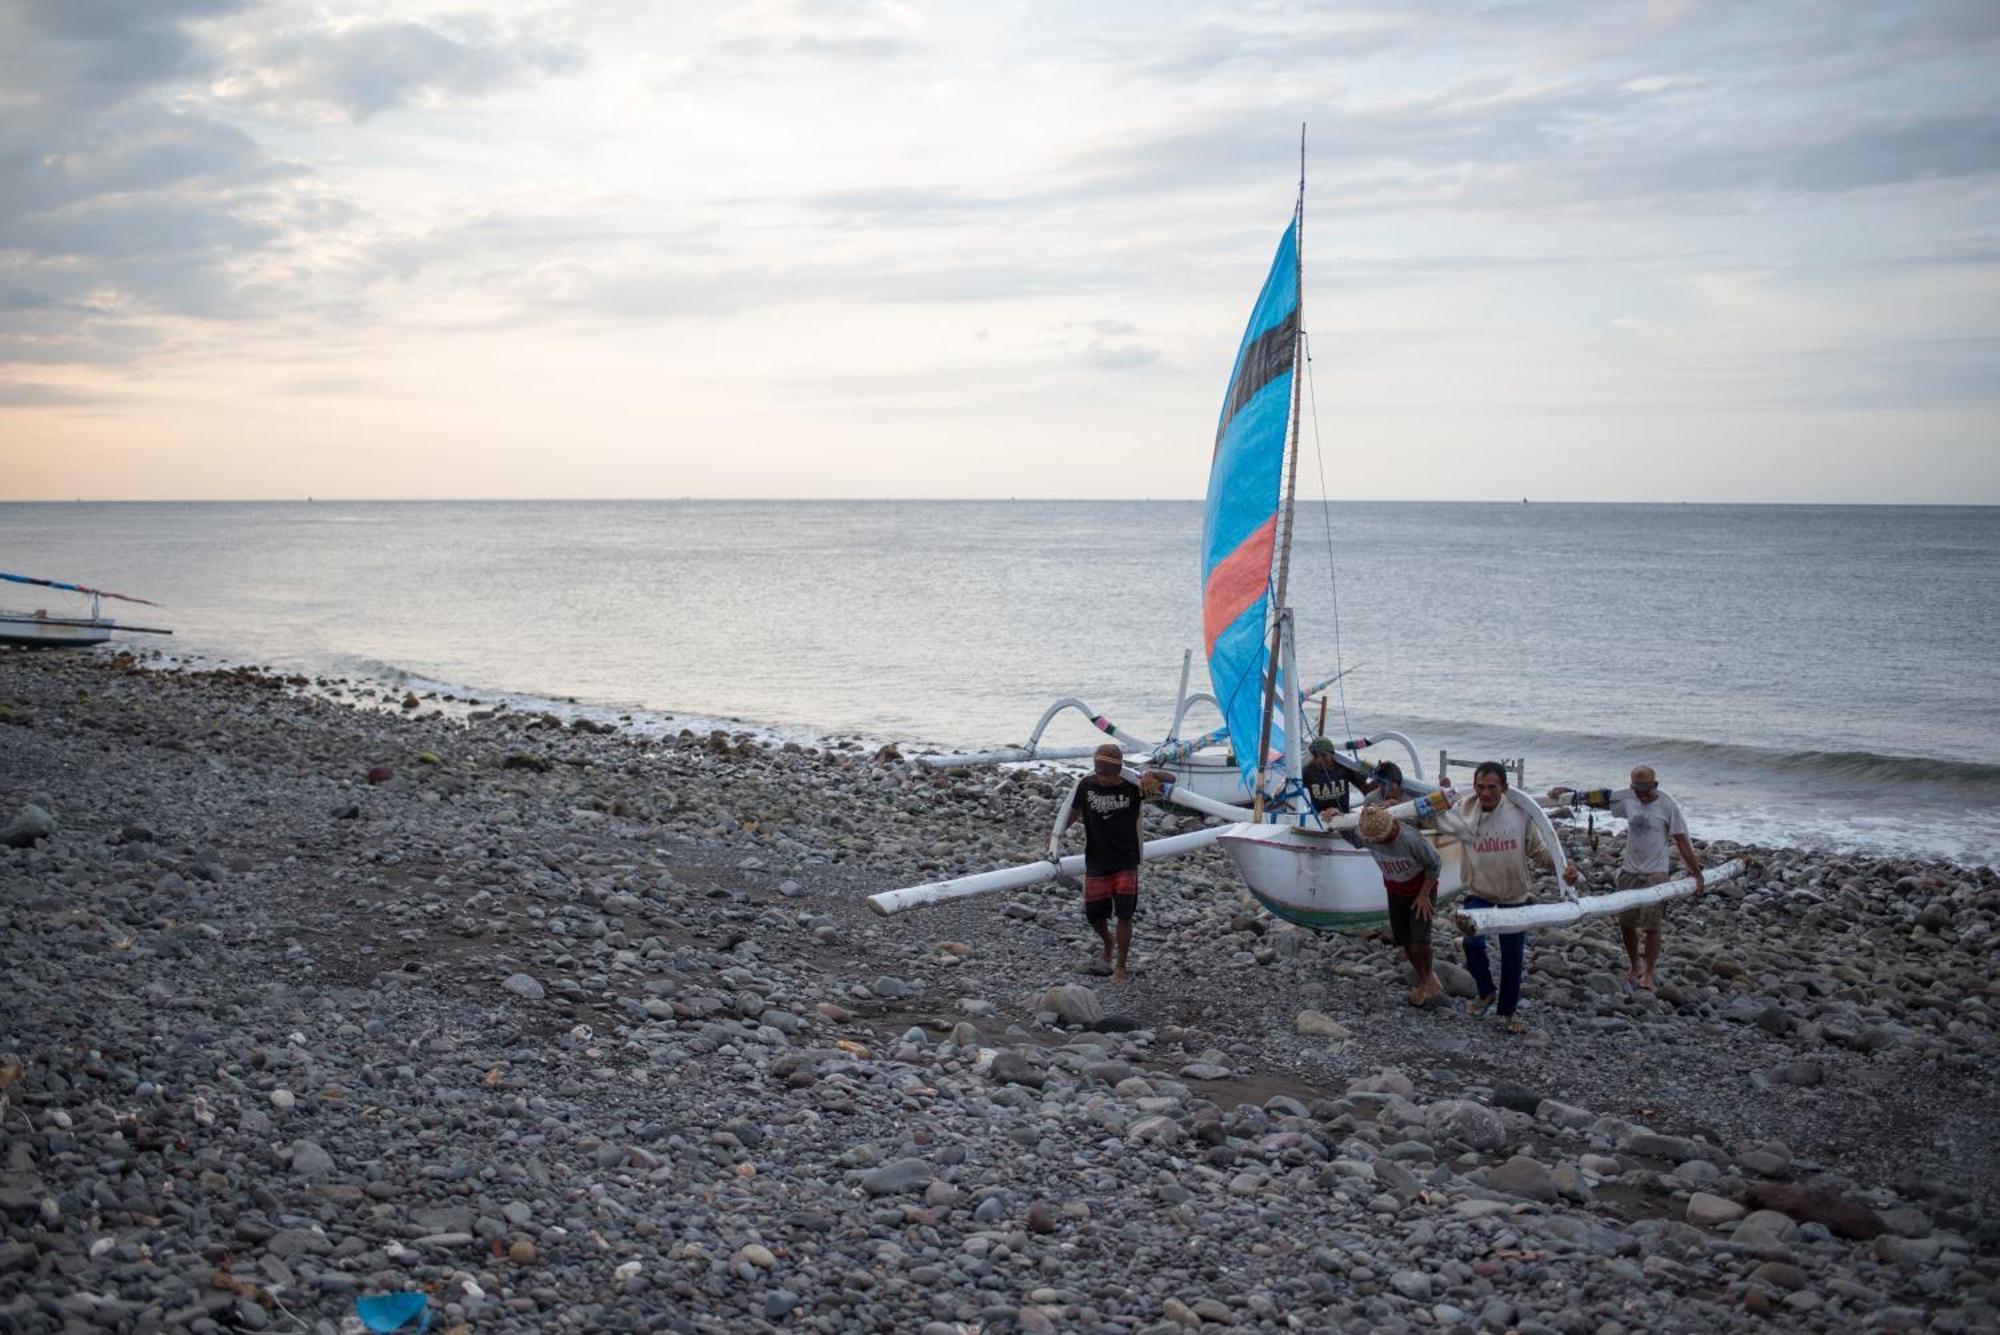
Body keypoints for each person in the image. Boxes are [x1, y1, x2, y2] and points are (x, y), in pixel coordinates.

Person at [1548, 765, 1704, 990]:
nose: (1640, 794)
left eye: (1645, 789)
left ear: (1656, 786)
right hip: (1629, 871)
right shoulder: (1627, 798)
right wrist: (1566, 793)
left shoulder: (1667, 805)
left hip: (1656, 874)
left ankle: (1649, 973)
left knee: (1652, 926)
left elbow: (1682, 841)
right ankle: (1635, 966)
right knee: (1627, 924)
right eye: (1636, 789)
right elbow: (1596, 798)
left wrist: (1697, 875)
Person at [1451, 761, 1579, 1033]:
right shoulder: (1463, 811)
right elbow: (1431, 817)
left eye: (1491, 787)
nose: (1484, 793)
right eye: (1480, 787)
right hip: (1479, 892)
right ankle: (1485, 991)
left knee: (1513, 958)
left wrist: (1562, 869)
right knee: (1472, 945)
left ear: (1505, 788)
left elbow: (1539, 852)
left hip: (1514, 894)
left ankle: (1507, 1012)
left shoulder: (1520, 814)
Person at [1056, 743, 1170, 982]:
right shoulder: (1086, 785)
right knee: (1094, 915)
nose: (1102, 778)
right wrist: (1055, 837)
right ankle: (1108, 942)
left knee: (1125, 915)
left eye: (1107, 773)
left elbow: (1172, 780)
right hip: (1097, 859)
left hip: (1125, 861)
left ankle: (1121, 966)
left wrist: (1151, 774)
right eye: (1098, 772)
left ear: (1118, 771)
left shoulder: (1135, 787)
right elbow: (1074, 812)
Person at [1358, 802, 1442, 1005]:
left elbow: (1434, 864)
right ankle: (1425, 979)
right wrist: (1333, 816)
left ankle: (1429, 977)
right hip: (1395, 890)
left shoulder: (1410, 839)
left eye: (1383, 839)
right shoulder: (1368, 835)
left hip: (1420, 890)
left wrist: (1424, 896)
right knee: (1403, 939)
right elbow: (1347, 834)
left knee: (1419, 940)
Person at [1303, 738, 1373, 816]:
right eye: (1316, 756)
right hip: (1317, 818)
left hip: (1343, 816)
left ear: (1332, 754)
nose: (1320, 760)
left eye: (1323, 755)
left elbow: (1364, 787)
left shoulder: (1345, 768)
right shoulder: (1307, 772)